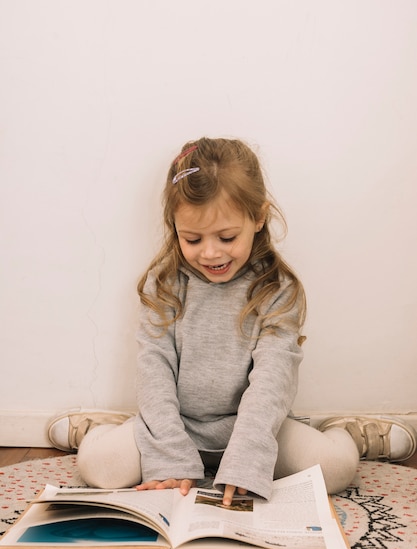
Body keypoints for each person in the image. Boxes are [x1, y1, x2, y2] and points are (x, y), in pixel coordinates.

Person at [48, 137, 417, 505]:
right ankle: (101, 430)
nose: (210, 253)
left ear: (258, 216)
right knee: (97, 467)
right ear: (173, 225)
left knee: (335, 468)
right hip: (179, 426)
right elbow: (154, 368)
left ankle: (345, 432)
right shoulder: (163, 283)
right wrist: (171, 453)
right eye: (192, 239)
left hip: (255, 427)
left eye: (226, 237)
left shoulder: (276, 289)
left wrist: (248, 457)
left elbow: (272, 381)